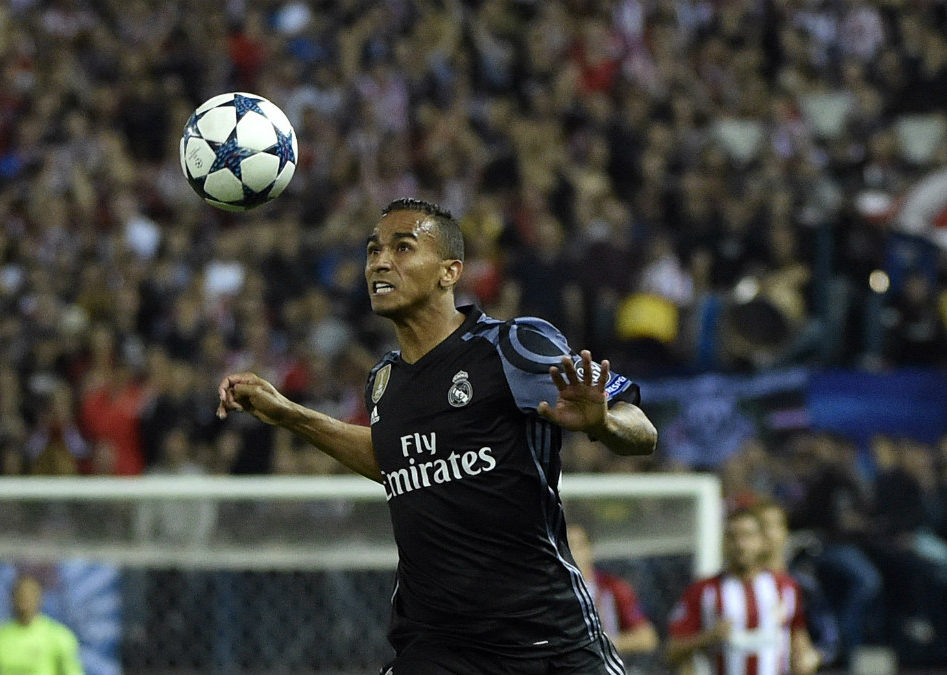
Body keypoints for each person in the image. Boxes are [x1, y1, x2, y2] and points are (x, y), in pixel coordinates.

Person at [218, 197, 658, 675]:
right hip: (436, 644)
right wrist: (288, 414)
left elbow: (644, 430)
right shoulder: (384, 381)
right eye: (372, 251)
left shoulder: (511, 346)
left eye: (403, 248)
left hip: (545, 639)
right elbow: (396, 460)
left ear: (450, 272)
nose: (380, 262)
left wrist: (603, 422)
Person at [665, 507, 814, 675]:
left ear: (762, 541)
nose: (740, 544)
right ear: (724, 542)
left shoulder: (786, 586)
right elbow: (672, 650)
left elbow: (798, 637)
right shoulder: (704, 590)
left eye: (747, 536)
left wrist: (805, 659)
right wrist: (709, 637)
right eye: (733, 537)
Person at [753, 500, 829, 672]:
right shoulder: (727, 586)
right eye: (759, 526)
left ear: (785, 532)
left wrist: (813, 655)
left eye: (772, 525)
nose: (766, 533)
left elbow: (827, 638)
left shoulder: (803, 585)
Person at [567, 525, 660, 661]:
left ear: (589, 549)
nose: (573, 552)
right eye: (568, 546)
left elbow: (647, 637)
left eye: (579, 545)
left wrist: (601, 643)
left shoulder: (612, 587)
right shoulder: (548, 592)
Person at [0, 575, 84, 675]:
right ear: (12, 599)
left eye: (29, 596)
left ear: (39, 599)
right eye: (20, 596)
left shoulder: (59, 636)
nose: (24, 601)